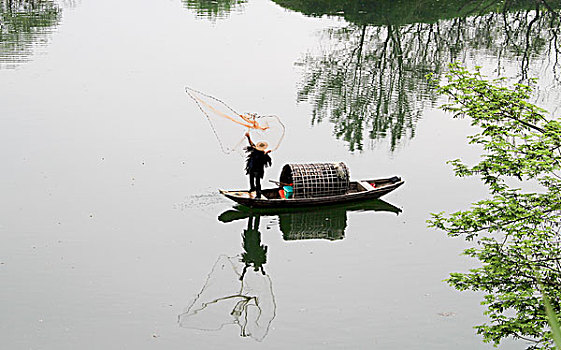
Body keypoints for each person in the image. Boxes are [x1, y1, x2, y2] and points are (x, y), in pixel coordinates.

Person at [244, 131, 271, 199]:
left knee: (257, 182)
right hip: (252, 167)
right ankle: (252, 189)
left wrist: (266, 153)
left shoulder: (263, 154)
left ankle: (258, 194)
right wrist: (248, 137)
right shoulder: (255, 150)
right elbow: (251, 144)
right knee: (251, 179)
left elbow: (265, 160)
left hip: (258, 169)